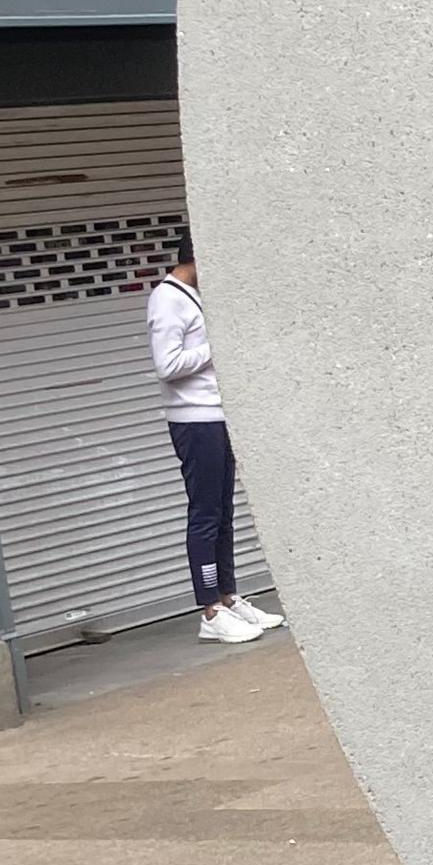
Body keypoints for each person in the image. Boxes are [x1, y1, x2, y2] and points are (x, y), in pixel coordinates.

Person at [147, 234, 276, 647]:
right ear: (197, 259)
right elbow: (167, 365)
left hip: (216, 417)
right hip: (194, 420)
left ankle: (228, 596)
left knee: (222, 512)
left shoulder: (190, 296)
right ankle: (209, 609)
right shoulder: (168, 299)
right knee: (204, 514)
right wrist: (213, 347)